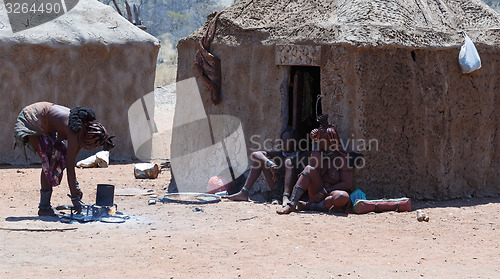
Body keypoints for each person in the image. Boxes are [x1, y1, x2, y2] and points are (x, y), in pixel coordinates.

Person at [14, 102, 114, 216]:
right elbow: (70, 169)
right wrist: (75, 200)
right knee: (48, 162)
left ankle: (45, 206)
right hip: (33, 117)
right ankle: (44, 207)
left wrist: (75, 187)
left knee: (56, 157)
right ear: (89, 139)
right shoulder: (75, 133)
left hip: (42, 118)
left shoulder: (82, 130)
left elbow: (68, 161)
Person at [277, 114, 352, 214]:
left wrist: (325, 191)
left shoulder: (341, 158)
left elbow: (347, 183)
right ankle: (292, 204)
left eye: (322, 140)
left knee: (342, 197)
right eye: (318, 140)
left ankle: (311, 206)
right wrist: (315, 142)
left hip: (331, 195)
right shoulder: (319, 154)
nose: (320, 142)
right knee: (309, 169)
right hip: (316, 193)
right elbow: (313, 166)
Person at [226, 129, 307, 205]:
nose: (284, 143)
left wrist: (282, 172)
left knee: (288, 161)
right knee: (259, 161)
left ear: (295, 143)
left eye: (287, 141)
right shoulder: (280, 154)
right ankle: (244, 192)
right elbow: (255, 154)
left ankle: (286, 197)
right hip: (278, 188)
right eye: (282, 141)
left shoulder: (301, 156)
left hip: (292, 190)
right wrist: (271, 164)